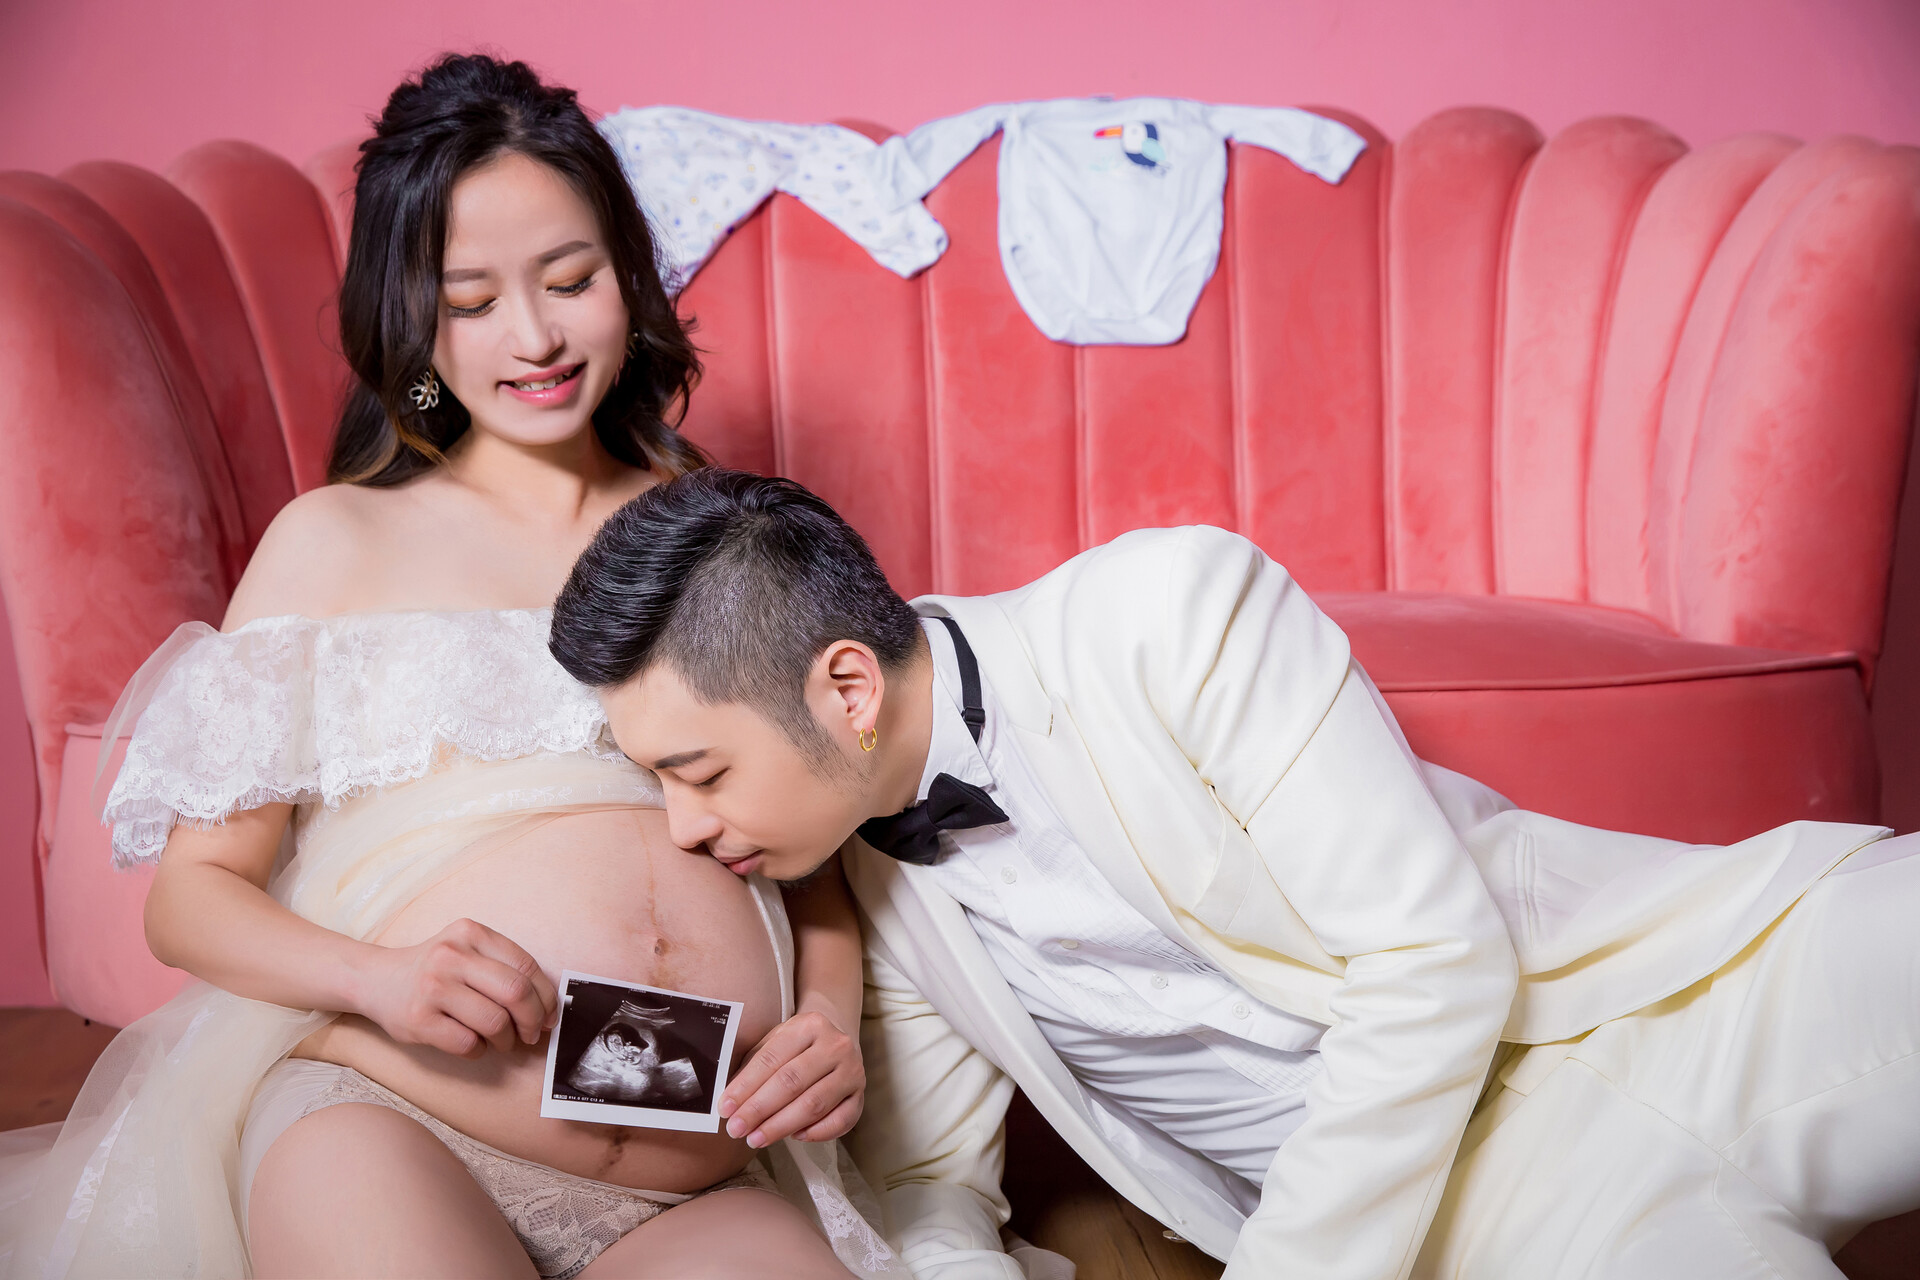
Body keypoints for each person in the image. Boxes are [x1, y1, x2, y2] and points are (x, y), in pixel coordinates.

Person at [547, 467, 1920, 1280]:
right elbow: (937, 1189)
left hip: (1674, 990)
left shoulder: (1167, 613)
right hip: (1476, 1214)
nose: (682, 825)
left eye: (698, 770)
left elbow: (1434, 963)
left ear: (846, 688)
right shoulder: (869, 886)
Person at [0, 56, 898, 1280]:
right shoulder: (335, 542)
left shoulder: (708, 527)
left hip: (693, 1175)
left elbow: (816, 849)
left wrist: (829, 1016)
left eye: (570, 280)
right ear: (412, 320)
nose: (534, 336)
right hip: (396, 1122)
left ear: (629, 279)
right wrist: (379, 977)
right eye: (472, 301)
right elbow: (192, 897)